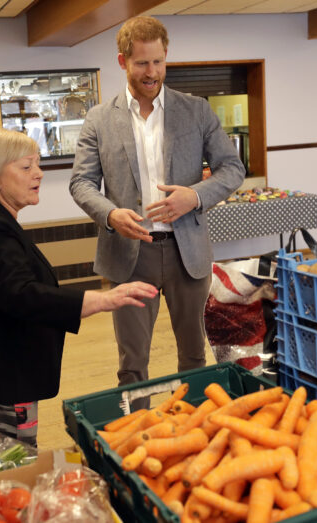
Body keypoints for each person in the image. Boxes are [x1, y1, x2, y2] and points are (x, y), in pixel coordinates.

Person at [0, 127, 157, 470]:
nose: (39, 173)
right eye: (26, 166)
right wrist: (103, 299)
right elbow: (21, 295)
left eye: (38, 164)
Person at [69, 16, 245, 410]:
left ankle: (195, 430)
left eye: (159, 62)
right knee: (132, 364)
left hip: (188, 253)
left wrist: (194, 197)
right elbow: (81, 184)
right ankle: (139, 434)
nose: (152, 73)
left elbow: (232, 169)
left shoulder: (195, 110)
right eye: (142, 64)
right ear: (122, 61)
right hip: (130, 255)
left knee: (194, 358)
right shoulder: (99, 119)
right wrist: (111, 215)